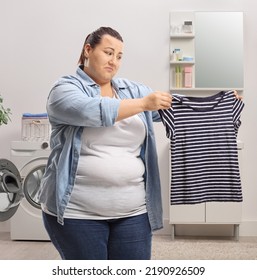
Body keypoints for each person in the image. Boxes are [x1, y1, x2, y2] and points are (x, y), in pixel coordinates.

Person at [38, 26, 172, 260]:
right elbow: (94, 110)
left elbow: (172, 108)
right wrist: (143, 104)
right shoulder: (64, 89)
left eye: (119, 56)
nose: (114, 61)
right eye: (108, 53)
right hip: (77, 215)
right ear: (88, 50)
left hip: (134, 212)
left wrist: (219, 102)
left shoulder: (132, 90)